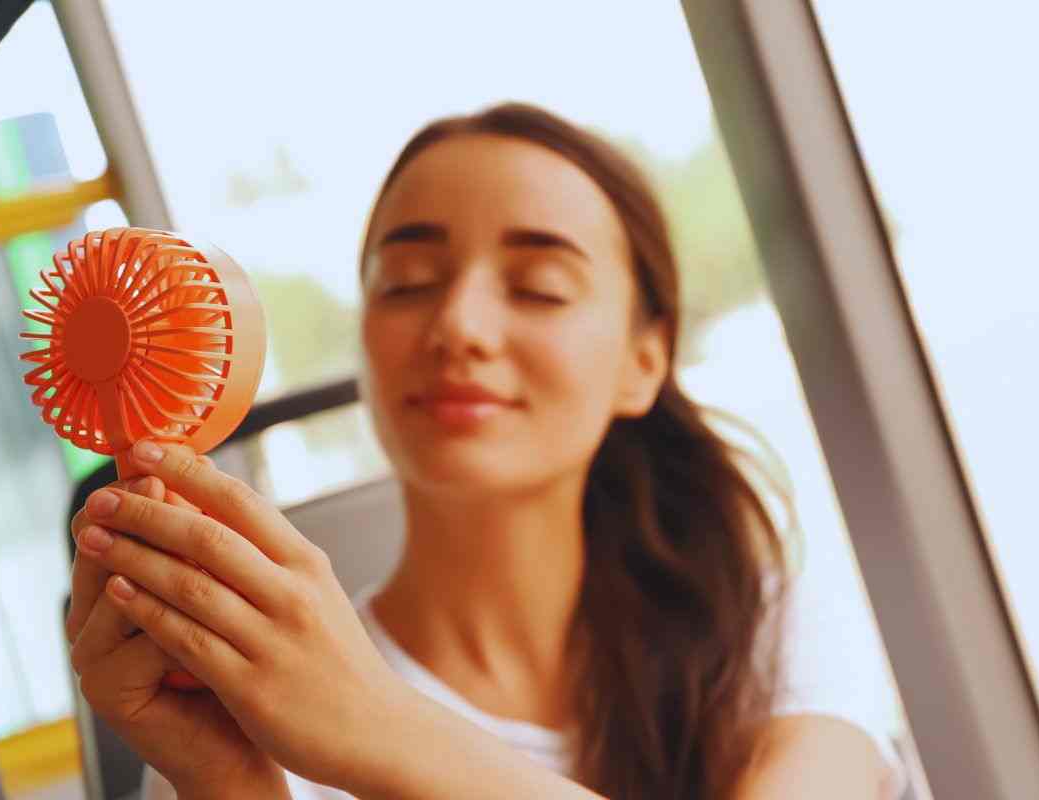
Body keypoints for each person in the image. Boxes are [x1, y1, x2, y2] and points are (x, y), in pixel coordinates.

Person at [66, 102, 906, 799]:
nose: (458, 327)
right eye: (408, 282)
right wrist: (229, 783)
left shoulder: (775, 635)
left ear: (644, 361)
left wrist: (376, 727)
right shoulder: (252, 723)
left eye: (538, 288)